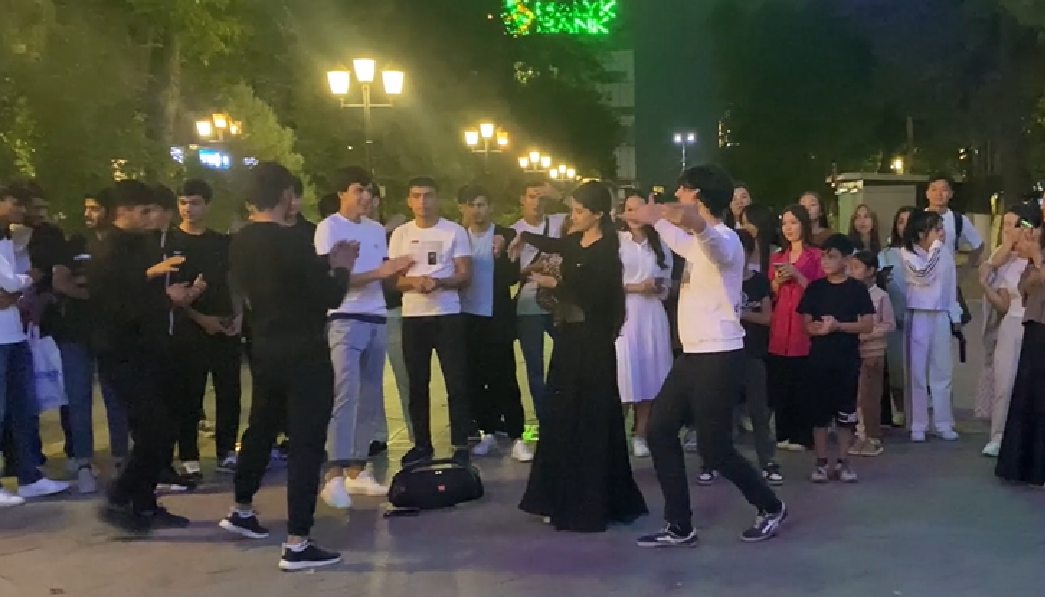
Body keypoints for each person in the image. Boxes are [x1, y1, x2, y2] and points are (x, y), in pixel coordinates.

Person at [629, 165, 786, 548]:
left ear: (697, 195)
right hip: (693, 355)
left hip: (719, 354)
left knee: (715, 449)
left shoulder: (726, 240)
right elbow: (682, 239)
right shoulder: (696, 242)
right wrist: (654, 218)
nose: (676, 195)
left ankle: (770, 506)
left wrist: (691, 222)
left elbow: (708, 241)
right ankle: (679, 524)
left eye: (682, 190)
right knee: (660, 431)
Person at [218, 161, 357, 571]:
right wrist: (342, 266)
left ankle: (242, 507)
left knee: (261, 426)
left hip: (263, 346)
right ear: (284, 195)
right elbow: (328, 295)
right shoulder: (293, 240)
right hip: (304, 351)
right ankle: (297, 541)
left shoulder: (241, 240)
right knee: (306, 443)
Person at [514, 181, 648, 533]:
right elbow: (555, 244)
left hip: (593, 342)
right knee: (561, 414)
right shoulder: (576, 241)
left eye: (578, 211)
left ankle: (589, 501)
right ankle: (554, 495)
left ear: (597, 214)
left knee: (591, 417)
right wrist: (522, 237)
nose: (572, 217)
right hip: (569, 339)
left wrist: (554, 284)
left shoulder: (606, 250)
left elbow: (596, 295)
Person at [91, 180, 204, 531]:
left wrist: (175, 297)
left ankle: (144, 504)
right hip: (122, 353)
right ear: (123, 212)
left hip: (150, 348)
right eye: (143, 211)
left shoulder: (141, 245)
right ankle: (119, 495)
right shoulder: (109, 250)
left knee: (157, 430)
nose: (149, 218)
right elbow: (117, 307)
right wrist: (165, 298)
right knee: (155, 429)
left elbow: (145, 296)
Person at [316, 166, 413, 509]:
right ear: (342, 193)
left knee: (371, 396)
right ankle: (333, 474)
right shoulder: (329, 228)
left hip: (376, 315)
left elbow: (382, 273)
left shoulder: (374, 229)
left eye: (369, 191)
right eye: (358, 190)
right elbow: (334, 278)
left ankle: (357, 469)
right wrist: (380, 271)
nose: (366, 197)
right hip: (345, 317)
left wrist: (400, 270)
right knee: (346, 394)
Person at [388, 177, 473, 466]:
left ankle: (460, 442)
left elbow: (464, 274)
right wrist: (414, 282)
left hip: (447, 314)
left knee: (456, 381)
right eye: (416, 196)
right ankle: (422, 444)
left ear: (437, 199)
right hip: (414, 316)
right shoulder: (401, 234)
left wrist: (439, 282)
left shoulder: (454, 231)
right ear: (409, 201)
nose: (423, 202)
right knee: (417, 383)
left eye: (428, 196)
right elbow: (393, 279)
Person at [458, 185, 532, 462]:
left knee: (505, 377)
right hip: (467, 317)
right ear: (461, 208)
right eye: (471, 205)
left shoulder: (506, 235)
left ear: (490, 207)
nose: (476, 211)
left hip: (496, 316)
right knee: (475, 378)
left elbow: (513, 277)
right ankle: (487, 430)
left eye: (481, 204)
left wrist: (503, 255)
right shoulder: (457, 236)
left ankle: (517, 435)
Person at [794, 234, 874, 484]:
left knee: (845, 413)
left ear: (846, 259)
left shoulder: (857, 289)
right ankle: (820, 462)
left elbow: (867, 324)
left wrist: (839, 326)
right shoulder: (815, 288)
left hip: (847, 359)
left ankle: (843, 461)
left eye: (832, 257)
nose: (826, 262)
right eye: (824, 257)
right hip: (819, 359)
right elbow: (805, 323)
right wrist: (818, 329)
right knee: (819, 413)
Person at [615, 190, 673, 458]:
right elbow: (607, 281)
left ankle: (641, 434)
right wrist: (636, 287)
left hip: (652, 314)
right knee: (623, 375)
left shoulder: (660, 242)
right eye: (630, 209)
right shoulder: (616, 242)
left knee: (651, 375)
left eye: (639, 209)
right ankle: (615, 435)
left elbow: (667, 281)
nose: (634, 215)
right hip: (625, 313)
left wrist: (658, 286)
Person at [978, 204, 1039, 457]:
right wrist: (985, 286)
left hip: (1036, 325)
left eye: (1020, 226)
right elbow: (1002, 302)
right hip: (1011, 324)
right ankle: (999, 436)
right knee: (1004, 382)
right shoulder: (1010, 261)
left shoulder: (1038, 259)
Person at [900, 209, 962, 442]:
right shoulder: (907, 253)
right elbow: (924, 274)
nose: (941, 234)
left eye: (941, 228)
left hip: (941, 314)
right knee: (917, 372)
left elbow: (950, 286)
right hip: (919, 314)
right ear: (921, 232)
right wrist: (935, 248)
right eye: (936, 229)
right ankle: (918, 423)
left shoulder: (944, 252)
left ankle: (943, 422)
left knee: (942, 370)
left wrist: (955, 316)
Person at [995, 217, 1045, 486]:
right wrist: (1036, 264)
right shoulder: (1038, 249)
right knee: (1029, 393)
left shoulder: (1037, 253)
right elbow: (1025, 285)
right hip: (1036, 324)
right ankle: (1024, 465)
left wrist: (1037, 260)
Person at [848, 250, 895, 458]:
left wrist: (866, 334)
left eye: (856, 267)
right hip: (853, 351)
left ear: (870, 271)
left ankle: (873, 437)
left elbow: (889, 324)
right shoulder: (850, 294)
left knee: (870, 396)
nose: (852, 272)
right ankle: (860, 435)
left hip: (873, 352)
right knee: (857, 396)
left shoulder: (880, 296)